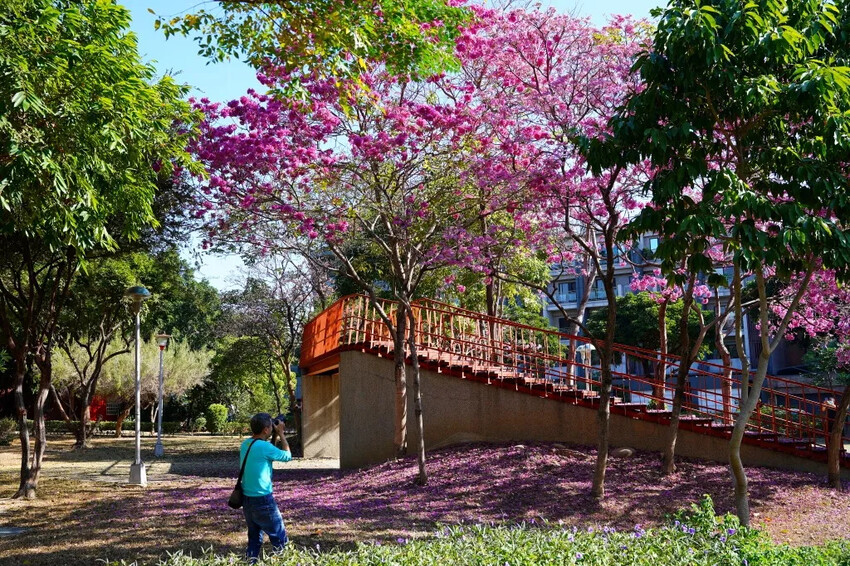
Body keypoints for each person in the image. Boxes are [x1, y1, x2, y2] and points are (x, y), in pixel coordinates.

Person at [239, 412, 292, 562]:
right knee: (279, 538)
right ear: (266, 430)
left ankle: (251, 562)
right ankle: (284, 562)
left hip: (247, 499)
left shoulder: (245, 444)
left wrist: (273, 435)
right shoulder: (265, 447)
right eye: (270, 426)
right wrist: (281, 433)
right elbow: (287, 456)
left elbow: (266, 452)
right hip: (263, 500)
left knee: (254, 537)